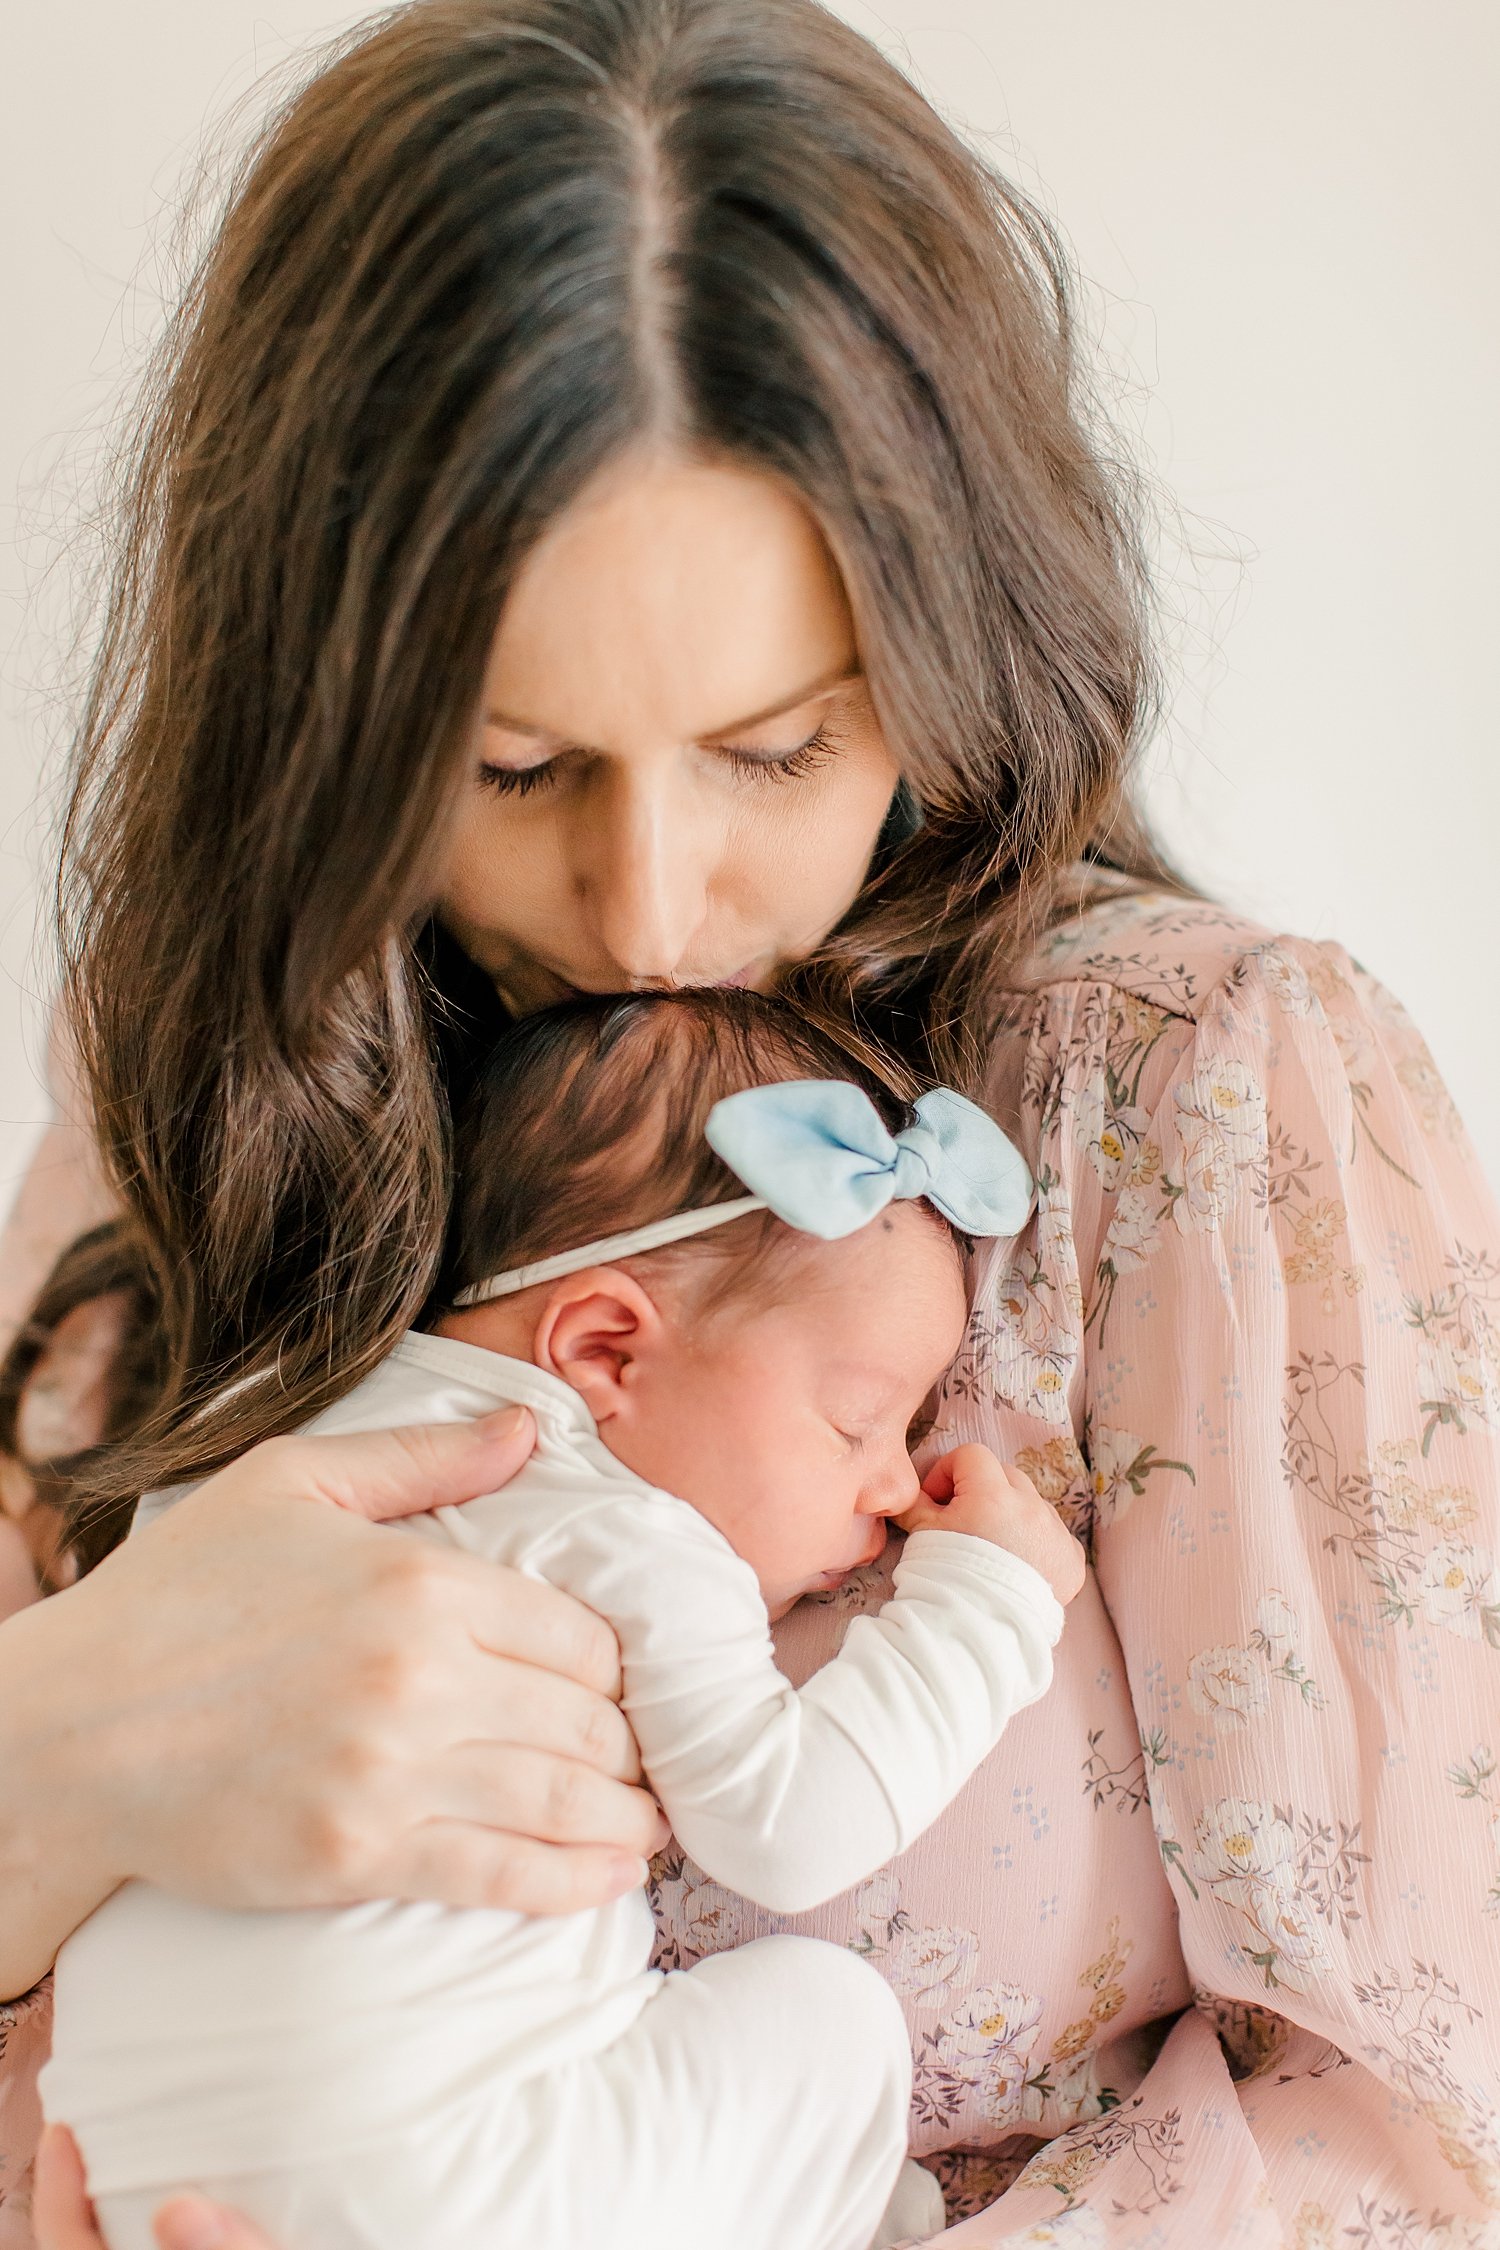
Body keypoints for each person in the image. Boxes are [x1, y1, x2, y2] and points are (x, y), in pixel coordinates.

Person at [2, 2, 1496, 2245]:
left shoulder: (1209, 1102)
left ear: (954, 647)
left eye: (773, 749)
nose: (649, 907)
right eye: (512, 770)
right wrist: (56, 1754)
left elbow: (1405, 2122)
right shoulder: (210, 1096)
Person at [42, 989, 1084, 2250]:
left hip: (132, 2181)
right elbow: (792, 1828)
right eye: (859, 1421)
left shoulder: (260, 1428)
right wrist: (991, 1604)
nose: (887, 1482)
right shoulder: (622, 1527)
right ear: (604, 1349)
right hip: (461, 2188)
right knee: (831, 2015)